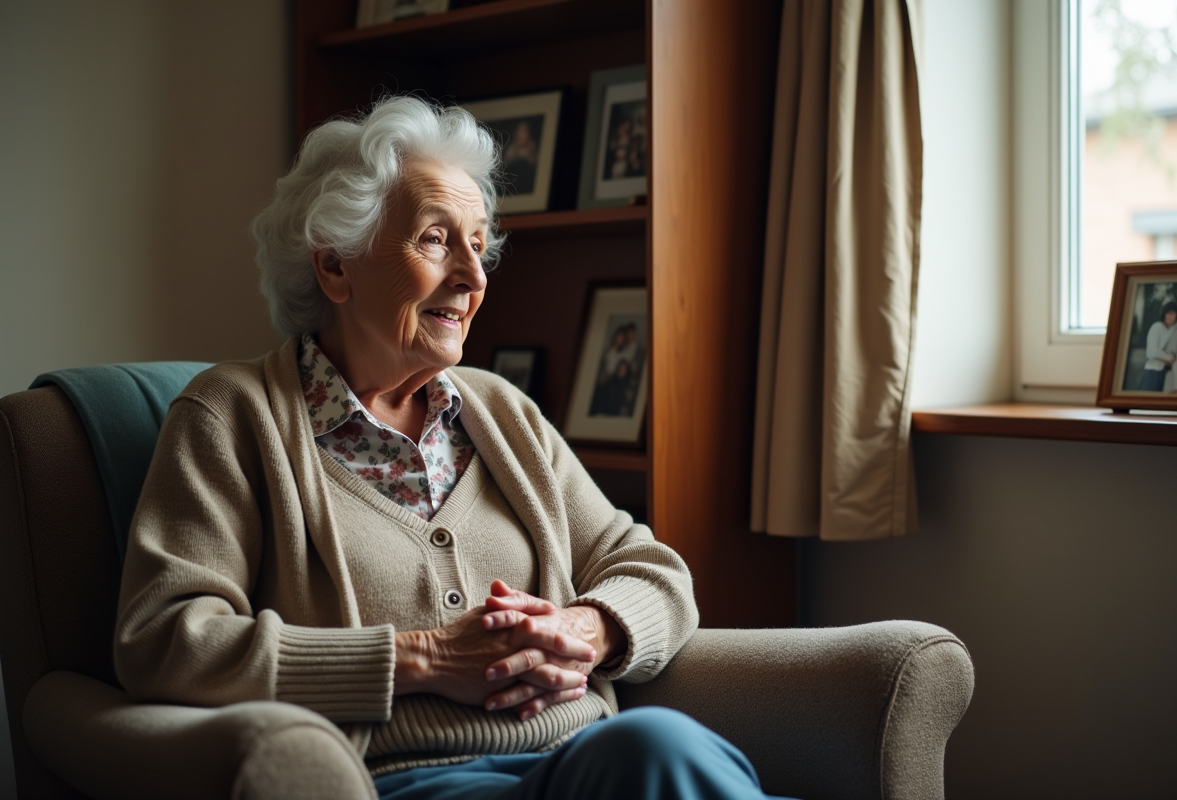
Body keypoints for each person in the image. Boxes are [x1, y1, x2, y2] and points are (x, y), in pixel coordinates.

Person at [113, 97, 793, 800]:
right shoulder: (231, 417)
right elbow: (165, 639)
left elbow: (653, 570)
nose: (473, 276)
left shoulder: (501, 412)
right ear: (335, 267)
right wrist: (428, 657)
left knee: (657, 749)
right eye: (437, 240)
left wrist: (583, 629)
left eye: (478, 244)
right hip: (408, 780)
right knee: (653, 750)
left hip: (578, 756)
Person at [1136, 301, 1177, 391]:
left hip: (1163, 372)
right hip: (1152, 371)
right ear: (1164, 314)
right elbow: (1151, 352)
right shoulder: (1157, 327)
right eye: (1168, 313)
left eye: (1173, 314)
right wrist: (1169, 358)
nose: (1170, 317)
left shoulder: (1172, 331)